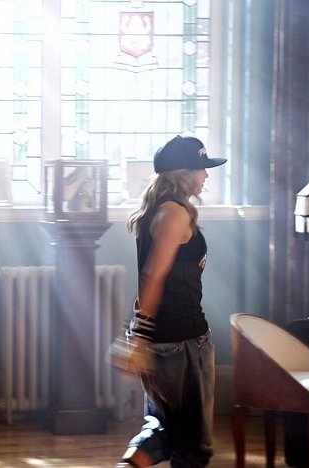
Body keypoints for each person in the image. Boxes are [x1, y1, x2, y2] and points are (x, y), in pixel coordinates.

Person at [116, 135, 227, 468]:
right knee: (193, 446)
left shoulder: (160, 209)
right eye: (201, 168)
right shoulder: (174, 213)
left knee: (163, 430)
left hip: (165, 341)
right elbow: (153, 277)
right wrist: (139, 337)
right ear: (183, 172)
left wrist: (138, 333)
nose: (206, 175)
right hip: (181, 342)